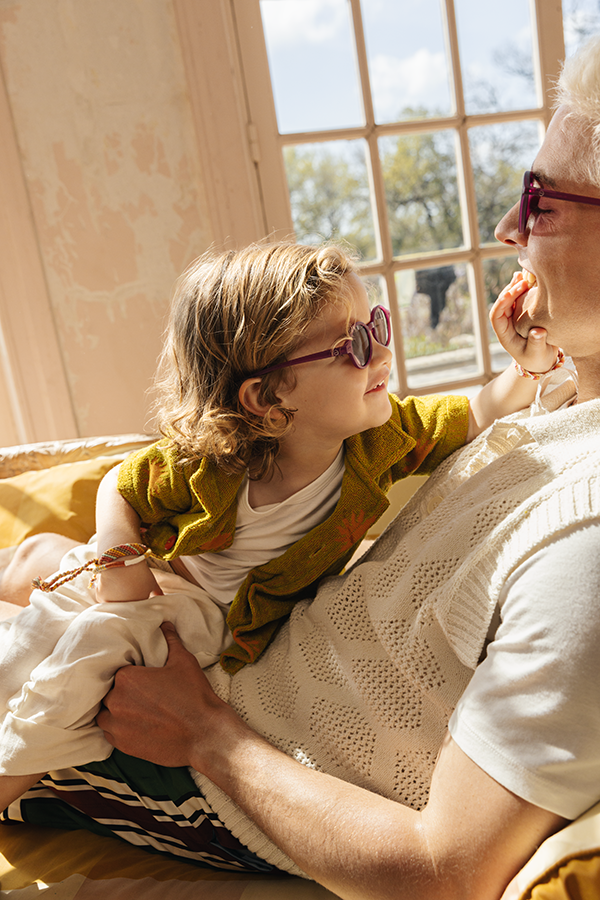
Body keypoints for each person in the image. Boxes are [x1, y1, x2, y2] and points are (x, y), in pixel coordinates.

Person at [0, 242, 554, 815]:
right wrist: (123, 569)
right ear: (267, 398)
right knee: (34, 586)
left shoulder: (378, 444)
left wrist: (527, 364)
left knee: (78, 659)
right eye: (354, 345)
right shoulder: (212, 461)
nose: (383, 352)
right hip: (153, 577)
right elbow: (121, 483)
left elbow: (480, 412)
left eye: (378, 325)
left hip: (204, 623)